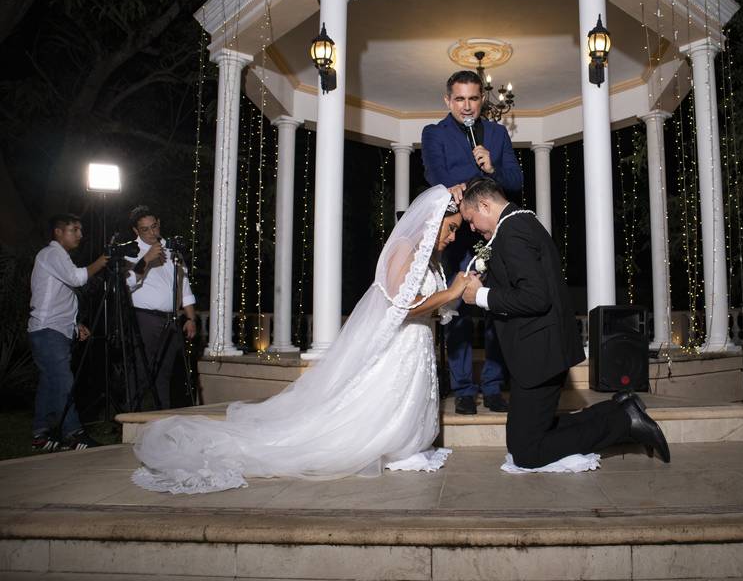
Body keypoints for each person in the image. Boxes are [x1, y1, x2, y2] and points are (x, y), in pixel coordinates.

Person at [132, 185, 471, 493]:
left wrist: (454, 295)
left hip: (415, 347)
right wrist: (451, 292)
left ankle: (405, 445)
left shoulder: (430, 261)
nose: (453, 236)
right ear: (431, 220)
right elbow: (401, 307)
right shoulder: (404, 250)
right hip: (400, 347)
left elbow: (426, 306)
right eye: (451, 227)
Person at [459, 177, 670, 468]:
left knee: (526, 454)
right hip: (541, 349)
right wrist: (486, 280)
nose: (472, 228)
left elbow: (535, 297)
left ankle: (623, 421)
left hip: (538, 353)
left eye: (471, 220)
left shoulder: (512, 231)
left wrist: (481, 295)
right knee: (523, 440)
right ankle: (621, 409)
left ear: (484, 205)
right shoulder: (520, 222)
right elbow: (524, 283)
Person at [421, 70, 523, 415]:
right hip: (458, 235)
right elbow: (436, 174)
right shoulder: (435, 133)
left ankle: (493, 386)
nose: (467, 106)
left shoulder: (496, 133)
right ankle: (464, 388)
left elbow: (515, 181)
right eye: (460, 99)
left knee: (498, 306)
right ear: (448, 100)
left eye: (474, 99)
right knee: (458, 310)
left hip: (496, 234)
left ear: (483, 100)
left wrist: (492, 167)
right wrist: (472, 177)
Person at [28, 214, 108, 451]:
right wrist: (102, 261)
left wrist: (75, 325)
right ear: (58, 232)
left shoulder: (59, 258)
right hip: (47, 330)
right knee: (64, 381)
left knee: (49, 383)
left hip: (54, 330)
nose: (80, 235)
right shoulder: (51, 254)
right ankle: (73, 434)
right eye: (75, 230)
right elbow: (76, 278)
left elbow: (56, 297)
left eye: (81, 230)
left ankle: (41, 436)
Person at [125, 206, 197, 410]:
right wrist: (146, 259)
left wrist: (190, 318)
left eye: (153, 226)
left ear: (159, 223)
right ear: (136, 231)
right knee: (141, 368)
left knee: (165, 371)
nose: (151, 232)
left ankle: (162, 415)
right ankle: (132, 415)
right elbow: (128, 283)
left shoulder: (172, 248)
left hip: (171, 318)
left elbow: (184, 285)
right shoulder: (131, 251)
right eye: (145, 229)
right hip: (144, 318)